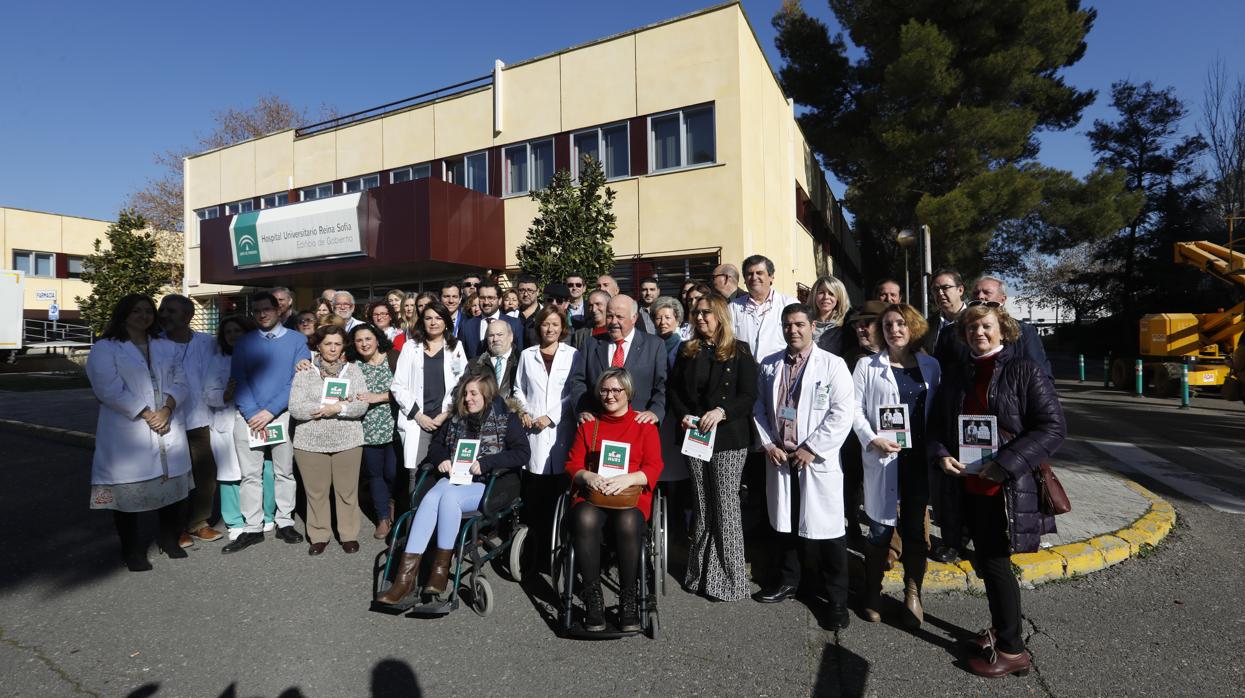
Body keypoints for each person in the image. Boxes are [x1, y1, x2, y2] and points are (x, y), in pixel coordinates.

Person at [928, 303, 1065, 678]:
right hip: (966, 484)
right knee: (988, 564)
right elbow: (938, 426)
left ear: (1002, 329)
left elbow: (1052, 429)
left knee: (996, 565)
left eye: (986, 326)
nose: (979, 333)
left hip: (1004, 488)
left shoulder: (1024, 370)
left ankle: (1012, 650)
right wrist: (941, 454)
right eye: (971, 328)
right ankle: (1002, 631)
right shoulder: (957, 374)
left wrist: (1003, 465)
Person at [375, 373, 529, 605]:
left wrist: (487, 463)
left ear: (487, 394)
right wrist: (442, 459)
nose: (467, 398)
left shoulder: (507, 419)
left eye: (473, 393)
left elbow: (522, 453)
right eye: (465, 393)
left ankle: (439, 572)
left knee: (449, 498)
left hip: (488, 484)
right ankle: (404, 580)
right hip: (455, 478)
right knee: (429, 498)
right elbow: (436, 447)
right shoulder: (457, 419)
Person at [751, 303, 855, 631]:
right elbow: (759, 406)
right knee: (786, 526)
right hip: (781, 457)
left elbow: (843, 412)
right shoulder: (770, 364)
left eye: (799, 324)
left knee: (829, 533)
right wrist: (768, 443)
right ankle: (788, 582)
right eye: (787, 325)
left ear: (812, 326)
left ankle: (837, 601)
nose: (792, 330)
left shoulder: (833, 365)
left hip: (815, 460)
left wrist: (813, 448)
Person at [86, 294, 194, 572]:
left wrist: (167, 409)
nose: (144, 315)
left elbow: (182, 381)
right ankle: (132, 551)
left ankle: (169, 541)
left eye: (148, 310)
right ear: (123, 314)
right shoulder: (106, 348)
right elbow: (107, 389)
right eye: (136, 311)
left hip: (167, 424)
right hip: (129, 429)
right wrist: (147, 414)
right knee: (127, 498)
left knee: (172, 492)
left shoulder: (164, 345)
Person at [851, 303, 941, 626]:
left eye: (901, 324)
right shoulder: (867, 366)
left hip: (918, 461)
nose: (895, 330)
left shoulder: (930, 366)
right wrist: (872, 438)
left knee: (916, 530)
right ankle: (873, 591)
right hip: (883, 456)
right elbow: (853, 410)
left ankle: (912, 592)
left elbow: (938, 412)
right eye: (888, 325)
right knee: (879, 530)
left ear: (912, 327)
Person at [669, 294, 758, 601]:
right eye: (697, 313)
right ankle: (701, 574)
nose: (701, 317)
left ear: (720, 315)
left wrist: (722, 412)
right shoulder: (687, 349)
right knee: (703, 505)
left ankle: (731, 580)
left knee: (725, 505)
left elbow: (749, 395)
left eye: (707, 312)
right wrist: (684, 416)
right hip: (696, 437)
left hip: (729, 438)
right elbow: (674, 390)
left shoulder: (740, 351)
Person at [563, 368, 665, 631]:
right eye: (605, 390)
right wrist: (588, 476)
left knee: (629, 523)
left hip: (629, 496)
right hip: (594, 494)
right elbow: (572, 463)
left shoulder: (643, 426)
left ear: (628, 392)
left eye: (616, 390)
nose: (609, 396)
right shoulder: (589, 424)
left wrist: (628, 479)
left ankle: (629, 598)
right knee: (584, 518)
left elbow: (655, 466)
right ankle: (593, 599)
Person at [222, 291, 311, 554]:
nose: (262, 314)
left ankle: (285, 522)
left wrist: (270, 411)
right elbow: (239, 379)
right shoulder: (245, 342)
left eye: (267, 309)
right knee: (251, 475)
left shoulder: (297, 340)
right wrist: (252, 413)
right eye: (257, 310)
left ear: (279, 310)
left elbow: (297, 380)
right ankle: (252, 528)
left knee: (284, 472)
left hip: (280, 415)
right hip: (249, 416)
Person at [288, 326, 368, 555]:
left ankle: (348, 534)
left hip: (348, 440)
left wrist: (339, 408)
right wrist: (324, 409)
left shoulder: (353, 371)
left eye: (337, 344)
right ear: (318, 346)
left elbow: (360, 404)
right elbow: (296, 407)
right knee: (316, 492)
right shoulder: (304, 372)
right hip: (310, 442)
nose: (332, 348)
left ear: (343, 346)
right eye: (327, 344)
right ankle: (319, 534)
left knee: (347, 491)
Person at [514, 306, 581, 567]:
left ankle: (560, 550)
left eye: (555, 324)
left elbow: (573, 393)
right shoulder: (527, 355)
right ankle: (537, 552)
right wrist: (526, 412)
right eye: (545, 324)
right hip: (532, 430)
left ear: (562, 327)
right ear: (538, 327)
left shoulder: (572, 355)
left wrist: (550, 416)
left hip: (560, 431)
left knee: (559, 493)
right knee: (535, 495)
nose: (550, 329)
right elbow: (519, 388)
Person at [158, 294, 223, 546]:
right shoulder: (155, 344)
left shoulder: (208, 343)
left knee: (206, 475)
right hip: (169, 421)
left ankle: (198, 523)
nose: (164, 315)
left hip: (201, 418)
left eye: (171, 311)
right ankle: (176, 528)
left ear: (188, 316)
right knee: (174, 477)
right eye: (162, 310)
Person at [205, 316, 277, 541]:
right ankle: (235, 520)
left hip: (257, 419)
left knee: (263, 469)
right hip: (227, 421)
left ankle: (266, 515)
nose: (234, 335)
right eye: (229, 332)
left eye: (238, 330)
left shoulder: (261, 356)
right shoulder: (218, 361)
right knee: (231, 474)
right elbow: (208, 393)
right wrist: (224, 394)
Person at [391, 302, 470, 492]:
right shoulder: (411, 347)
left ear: (445, 321)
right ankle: (416, 518)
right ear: (422, 322)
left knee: (447, 469)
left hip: (446, 419)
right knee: (417, 474)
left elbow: (462, 383)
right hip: (418, 420)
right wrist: (419, 416)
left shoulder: (455, 346)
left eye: (438, 318)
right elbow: (398, 386)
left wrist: (445, 414)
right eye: (428, 318)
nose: (433, 322)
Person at [924, 269, 969, 562]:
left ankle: (976, 537)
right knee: (945, 482)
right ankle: (953, 539)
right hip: (937, 412)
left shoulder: (975, 322)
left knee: (972, 480)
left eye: (946, 287)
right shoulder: (929, 327)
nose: (941, 293)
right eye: (936, 289)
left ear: (961, 290)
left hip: (971, 412)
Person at [571, 295, 667, 428]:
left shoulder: (654, 345)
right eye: (609, 316)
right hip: (598, 424)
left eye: (620, 317)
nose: (613, 322)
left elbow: (662, 385)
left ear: (634, 318)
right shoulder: (591, 344)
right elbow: (578, 381)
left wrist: (655, 411)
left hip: (638, 425)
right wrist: (583, 409)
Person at [350, 323, 399, 540]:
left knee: (393, 473)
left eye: (368, 339)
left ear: (377, 339)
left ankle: (394, 505)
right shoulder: (353, 366)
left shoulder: (395, 358)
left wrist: (377, 397)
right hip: (368, 429)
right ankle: (382, 518)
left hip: (396, 427)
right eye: (359, 340)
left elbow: (409, 390)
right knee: (375, 475)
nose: (364, 344)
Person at [970, 276, 1052, 378]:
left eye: (987, 292)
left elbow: (1042, 375)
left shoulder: (1024, 331)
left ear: (1002, 299)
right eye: (976, 293)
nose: (980, 296)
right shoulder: (962, 332)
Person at [730, 255, 798, 361]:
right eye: (749, 274)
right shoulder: (733, 307)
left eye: (759, 273)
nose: (754, 277)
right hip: (745, 371)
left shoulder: (789, 304)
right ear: (744, 279)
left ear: (771, 277)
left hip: (779, 369)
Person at [460, 280, 526, 360]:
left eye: (491, 298)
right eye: (482, 298)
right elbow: (461, 357)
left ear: (500, 300)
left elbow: (520, 355)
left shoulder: (514, 324)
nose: (486, 302)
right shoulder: (466, 325)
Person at [472, 319, 520, 398]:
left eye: (500, 334)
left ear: (511, 336)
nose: (495, 339)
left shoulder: (521, 362)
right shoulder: (474, 366)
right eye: (491, 335)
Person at [809, 275, 852, 356]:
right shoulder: (805, 322)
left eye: (831, 293)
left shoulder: (847, 325)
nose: (826, 297)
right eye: (821, 293)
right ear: (814, 295)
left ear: (839, 297)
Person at [650, 296, 684, 369]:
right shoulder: (649, 347)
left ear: (678, 321)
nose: (662, 322)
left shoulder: (683, 348)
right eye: (658, 318)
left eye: (667, 318)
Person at [514, 274, 543, 347]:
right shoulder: (510, 316)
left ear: (537, 292)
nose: (526, 294)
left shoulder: (545, 315)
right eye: (522, 290)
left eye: (530, 290)